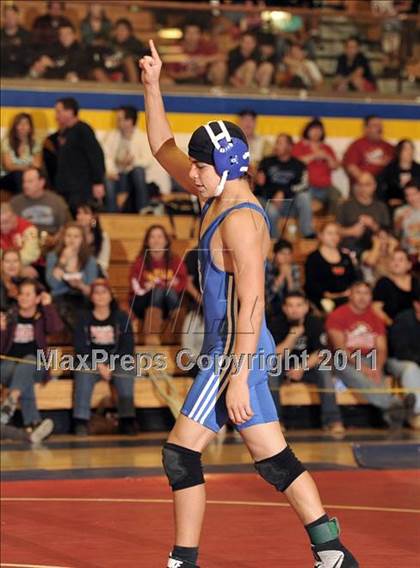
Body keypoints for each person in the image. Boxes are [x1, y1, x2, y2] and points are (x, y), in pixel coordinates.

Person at [139, 39, 359, 568]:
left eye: (199, 166)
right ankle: (333, 553)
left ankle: (182, 561)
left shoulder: (240, 218)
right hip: (240, 346)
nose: (189, 174)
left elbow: (255, 301)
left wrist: (237, 374)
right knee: (273, 457)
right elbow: (161, 144)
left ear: (226, 165)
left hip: (235, 348)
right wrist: (152, 85)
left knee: (179, 452)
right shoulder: (215, 193)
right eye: (193, 167)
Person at [326, 281, 414, 429]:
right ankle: (397, 404)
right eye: (358, 293)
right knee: (361, 378)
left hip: (370, 359)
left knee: (378, 378)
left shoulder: (375, 317)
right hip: (344, 360)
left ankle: (392, 418)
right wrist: (363, 368)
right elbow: (340, 348)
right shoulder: (337, 315)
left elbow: (382, 348)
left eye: (366, 293)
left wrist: (377, 367)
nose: (362, 297)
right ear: (350, 295)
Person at [270, 292, 344, 435]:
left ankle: (332, 420)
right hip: (282, 365)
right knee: (271, 371)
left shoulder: (315, 322)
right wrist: (293, 336)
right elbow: (274, 354)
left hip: (307, 366)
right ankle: (275, 421)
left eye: (299, 305)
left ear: (306, 307)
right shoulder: (276, 324)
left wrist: (301, 368)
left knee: (324, 369)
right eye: (290, 305)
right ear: (284, 308)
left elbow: (321, 353)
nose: (294, 309)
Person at [72, 279, 137, 436]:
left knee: (125, 372)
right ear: (91, 297)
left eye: (104, 292)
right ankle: (80, 421)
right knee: (83, 373)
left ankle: (127, 420)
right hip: (90, 361)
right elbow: (80, 347)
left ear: (110, 296)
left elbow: (128, 346)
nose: (100, 296)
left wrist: (112, 364)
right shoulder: (83, 317)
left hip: (117, 360)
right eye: (96, 293)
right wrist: (99, 364)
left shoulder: (121, 317)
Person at [0, 279, 62, 429]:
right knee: (23, 374)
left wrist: (47, 306)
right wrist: (1, 330)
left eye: (28, 294)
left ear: (37, 298)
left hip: (38, 365)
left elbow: (55, 328)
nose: (23, 297)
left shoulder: (42, 316)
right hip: (9, 365)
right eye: (21, 294)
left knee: (28, 361)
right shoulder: (9, 315)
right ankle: (33, 423)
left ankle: (11, 400)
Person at [129, 225, 188, 345]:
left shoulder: (175, 260)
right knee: (158, 291)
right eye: (152, 237)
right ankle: (153, 337)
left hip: (169, 302)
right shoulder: (140, 261)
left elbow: (183, 281)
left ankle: (179, 337)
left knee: (168, 292)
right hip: (143, 302)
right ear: (147, 241)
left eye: (160, 237)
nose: (156, 240)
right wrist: (147, 286)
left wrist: (173, 285)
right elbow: (135, 285)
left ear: (166, 241)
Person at [43, 97, 105, 210]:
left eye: (58, 112)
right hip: (65, 187)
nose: (56, 116)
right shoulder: (64, 133)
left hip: (80, 188)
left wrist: (97, 182)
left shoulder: (83, 130)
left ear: (70, 112)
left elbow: (96, 156)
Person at [255, 133, 314, 238]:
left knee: (305, 196)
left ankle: (307, 232)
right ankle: (276, 240)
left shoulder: (299, 165)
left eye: (280, 143)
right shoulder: (266, 162)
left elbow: (304, 186)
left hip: (289, 204)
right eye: (276, 143)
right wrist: (274, 196)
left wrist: (283, 192)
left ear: (290, 147)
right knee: (271, 211)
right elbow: (260, 187)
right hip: (269, 201)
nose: (276, 146)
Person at [46, 222, 99, 330]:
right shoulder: (53, 256)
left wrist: (80, 285)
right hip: (60, 297)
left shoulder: (90, 260)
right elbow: (53, 284)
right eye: (68, 236)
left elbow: (91, 289)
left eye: (76, 236)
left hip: (82, 297)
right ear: (63, 238)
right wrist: (63, 260)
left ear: (82, 239)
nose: (72, 239)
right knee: (67, 310)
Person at [103, 106, 151, 212]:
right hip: (117, 175)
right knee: (108, 179)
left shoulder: (142, 137)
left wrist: (132, 162)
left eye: (120, 119)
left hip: (132, 177)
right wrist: (111, 171)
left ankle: (143, 209)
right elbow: (106, 157)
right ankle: (112, 213)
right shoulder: (112, 136)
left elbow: (148, 160)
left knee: (138, 171)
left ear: (129, 121)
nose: (117, 122)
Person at [305, 222, 358, 312]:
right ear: (320, 235)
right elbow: (311, 284)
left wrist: (349, 292)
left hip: (346, 297)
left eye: (336, 233)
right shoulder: (313, 258)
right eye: (330, 233)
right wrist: (328, 295)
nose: (334, 237)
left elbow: (353, 279)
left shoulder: (346, 257)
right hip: (323, 299)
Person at [292, 118, 341, 214]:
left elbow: (335, 166)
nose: (316, 132)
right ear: (307, 131)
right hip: (307, 186)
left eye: (319, 130)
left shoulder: (327, 148)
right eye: (313, 129)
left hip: (326, 186)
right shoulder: (300, 145)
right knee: (305, 200)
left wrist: (327, 157)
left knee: (337, 197)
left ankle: (332, 224)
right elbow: (296, 163)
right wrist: (314, 156)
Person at [337, 172, 391, 256]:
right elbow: (335, 229)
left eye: (367, 185)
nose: (363, 188)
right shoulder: (345, 206)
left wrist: (373, 225)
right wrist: (350, 231)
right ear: (356, 187)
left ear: (374, 186)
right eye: (360, 185)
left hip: (376, 249)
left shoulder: (382, 207)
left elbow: (388, 233)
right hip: (350, 249)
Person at [387, 293, 420, 430]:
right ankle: (417, 413)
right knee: (411, 368)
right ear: (417, 304)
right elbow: (400, 351)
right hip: (397, 361)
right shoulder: (403, 319)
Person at [10, 167, 71, 241]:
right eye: (24, 181)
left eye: (29, 181)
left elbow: (66, 225)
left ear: (41, 183)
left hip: (52, 242)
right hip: (25, 242)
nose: (25, 185)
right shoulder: (15, 202)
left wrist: (55, 239)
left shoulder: (57, 201)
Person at [373, 248, 420, 325]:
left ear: (409, 265)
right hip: (392, 326)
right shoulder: (383, 282)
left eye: (400, 260)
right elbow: (376, 308)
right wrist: (392, 324)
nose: (396, 263)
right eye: (393, 259)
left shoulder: (416, 281)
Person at [342, 116, 394, 185]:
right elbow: (351, 166)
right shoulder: (357, 145)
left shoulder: (389, 147)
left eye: (380, 125)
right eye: (375, 125)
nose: (379, 128)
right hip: (363, 184)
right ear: (366, 129)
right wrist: (362, 178)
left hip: (383, 184)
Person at [1, 112, 42, 195]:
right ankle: (22, 203)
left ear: (30, 127)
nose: (23, 126)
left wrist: (18, 167)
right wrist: (27, 167)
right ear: (15, 127)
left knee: (34, 178)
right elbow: (8, 166)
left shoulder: (35, 143)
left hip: (27, 177)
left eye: (26, 123)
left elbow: (37, 165)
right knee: (19, 175)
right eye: (20, 123)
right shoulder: (7, 142)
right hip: (6, 177)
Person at [377, 139, 420, 212]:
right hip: (394, 204)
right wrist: (388, 200)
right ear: (399, 151)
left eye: (411, 149)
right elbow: (380, 187)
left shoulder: (418, 169)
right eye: (405, 149)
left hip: (416, 204)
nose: (409, 152)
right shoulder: (389, 169)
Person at [266, 238, 301, 318]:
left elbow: (295, 295)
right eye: (282, 253)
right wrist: (281, 275)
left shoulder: (294, 268)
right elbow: (269, 296)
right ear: (275, 254)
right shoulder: (268, 267)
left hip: (289, 306)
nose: (286, 257)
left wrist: (289, 277)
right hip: (271, 306)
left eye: (289, 254)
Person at [0, 202, 41, 270]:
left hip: (30, 265)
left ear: (14, 217)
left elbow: (30, 255)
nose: (1, 226)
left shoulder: (29, 229)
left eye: (5, 222)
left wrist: (9, 266)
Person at [75, 202, 111, 277]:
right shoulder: (73, 235)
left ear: (94, 217)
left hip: (96, 272)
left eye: (85, 213)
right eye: (79, 213)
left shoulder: (102, 236)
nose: (81, 216)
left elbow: (104, 262)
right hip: (75, 271)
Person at [0, 4, 32, 78]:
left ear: (17, 16)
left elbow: (30, 56)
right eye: (7, 16)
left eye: (12, 15)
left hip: (21, 76)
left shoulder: (26, 35)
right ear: (3, 18)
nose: (10, 18)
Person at [394, 182, 420, 260]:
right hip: (407, 252)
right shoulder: (400, 211)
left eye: (414, 194)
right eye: (407, 195)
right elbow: (396, 233)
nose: (411, 198)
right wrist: (401, 219)